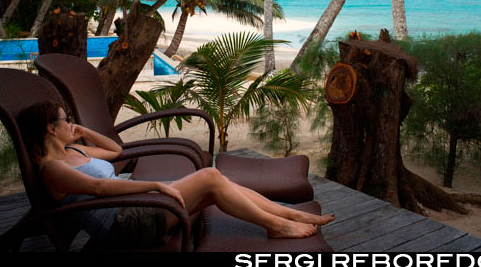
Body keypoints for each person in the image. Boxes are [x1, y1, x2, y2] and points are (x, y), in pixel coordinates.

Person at [17, 101, 335, 248]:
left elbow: (115, 151)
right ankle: (278, 225)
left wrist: (82, 130)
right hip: (124, 225)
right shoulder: (54, 169)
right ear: (50, 129)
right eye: (66, 118)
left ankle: (287, 214)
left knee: (217, 182)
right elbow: (99, 187)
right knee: (210, 179)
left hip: (138, 204)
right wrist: (156, 184)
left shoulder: (75, 152)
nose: (71, 121)